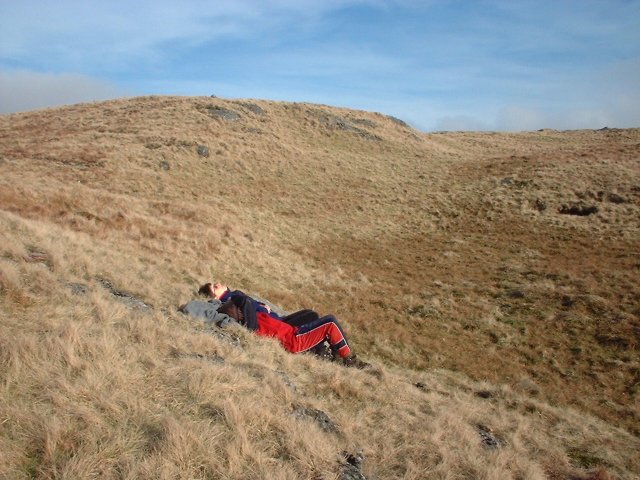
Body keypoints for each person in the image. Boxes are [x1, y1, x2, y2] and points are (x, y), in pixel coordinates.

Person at [181, 292, 367, 368]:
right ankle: (348, 358)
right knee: (330, 322)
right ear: (239, 313)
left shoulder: (252, 317)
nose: (237, 305)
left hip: (289, 328)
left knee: (311, 314)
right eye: (235, 306)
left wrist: (224, 303)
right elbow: (241, 298)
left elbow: (241, 300)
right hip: (294, 340)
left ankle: (326, 352)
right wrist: (230, 302)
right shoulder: (250, 323)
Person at [198, 282, 319, 326]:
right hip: (278, 323)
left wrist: (262, 305)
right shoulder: (230, 300)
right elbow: (252, 311)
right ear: (215, 296)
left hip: (279, 319)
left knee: (310, 314)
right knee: (312, 316)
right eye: (215, 287)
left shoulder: (233, 294)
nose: (218, 284)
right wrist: (265, 309)